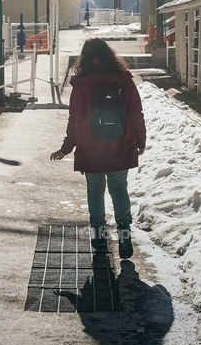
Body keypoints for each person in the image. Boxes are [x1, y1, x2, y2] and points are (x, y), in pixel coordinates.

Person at [50, 38, 146, 258]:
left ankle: (100, 238)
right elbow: (135, 113)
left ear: (85, 58)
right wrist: (141, 141)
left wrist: (66, 148)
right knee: (119, 188)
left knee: (95, 191)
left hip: (90, 148)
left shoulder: (82, 84)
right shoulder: (124, 79)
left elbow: (76, 120)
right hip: (120, 146)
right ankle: (124, 232)